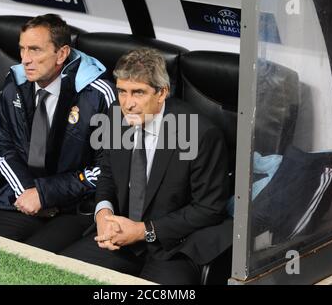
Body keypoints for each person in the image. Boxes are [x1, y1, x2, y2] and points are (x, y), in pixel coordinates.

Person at [61, 48, 230, 284]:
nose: (128, 104)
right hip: (120, 236)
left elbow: (209, 209)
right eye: (122, 92)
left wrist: (143, 230)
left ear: (162, 93)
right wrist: (103, 213)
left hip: (173, 247)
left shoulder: (200, 133)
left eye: (138, 93)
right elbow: (108, 174)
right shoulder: (114, 115)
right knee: (63, 275)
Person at [0, 14, 115, 253]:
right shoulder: (15, 82)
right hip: (25, 196)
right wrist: (28, 193)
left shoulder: (98, 94)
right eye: (22, 49)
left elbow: (108, 169)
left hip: (74, 206)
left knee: (36, 263)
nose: (25, 60)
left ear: (62, 53)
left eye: (35, 50)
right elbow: (2, 146)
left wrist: (46, 194)